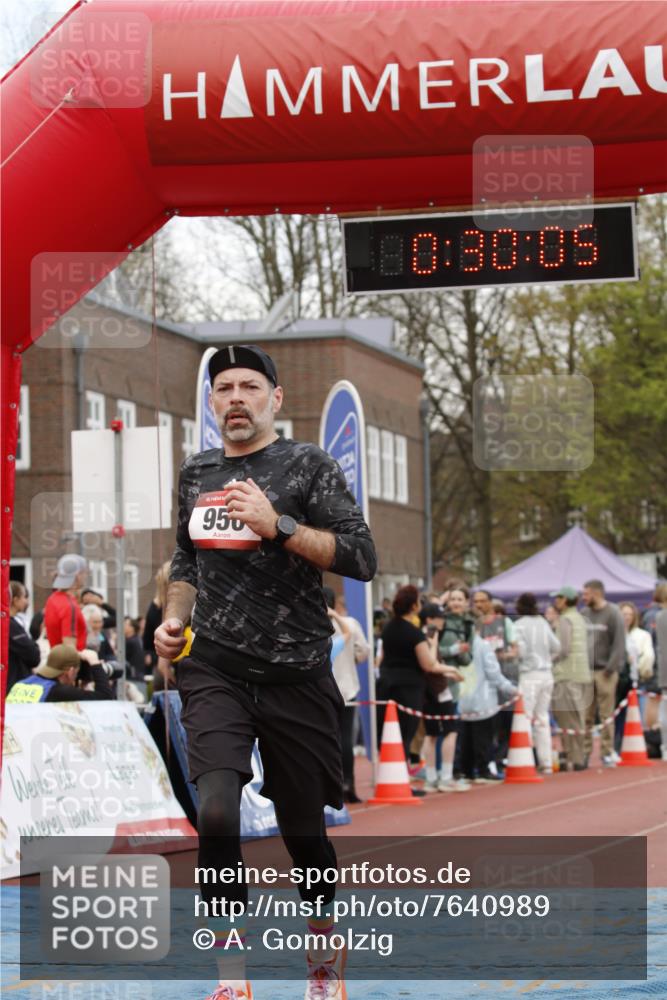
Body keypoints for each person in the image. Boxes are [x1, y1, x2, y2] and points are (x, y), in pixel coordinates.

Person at [154, 344, 377, 1000]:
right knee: (217, 812)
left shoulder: (307, 466)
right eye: (223, 388)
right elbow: (186, 559)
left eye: (249, 386)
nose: (235, 398)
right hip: (213, 667)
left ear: (274, 399)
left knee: (302, 832)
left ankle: (321, 967)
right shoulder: (197, 472)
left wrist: (277, 525)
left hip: (297, 670)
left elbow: (360, 557)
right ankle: (231, 979)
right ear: (213, 402)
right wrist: (172, 620)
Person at [378, 586, 460, 772]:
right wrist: (451, 668)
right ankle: (401, 777)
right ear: (414, 606)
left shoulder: (388, 628)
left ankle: (390, 774)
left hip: (386, 683)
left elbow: (382, 657)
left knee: (387, 732)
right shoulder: (414, 633)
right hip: (408, 688)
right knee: (406, 733)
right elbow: (428, 664)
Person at [323, 587, 369, 804]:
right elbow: (363, 651)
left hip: (321, 691)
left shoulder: (307, 626)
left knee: (325, 738)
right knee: (345, 738)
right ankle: (347, 783)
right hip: (346, 689)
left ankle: (329, 785)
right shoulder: (348, 624)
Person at [419, 601, 468, 793]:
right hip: (438, 691)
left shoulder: (423, 635)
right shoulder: (429, 635)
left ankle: (432, 778)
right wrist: (452, 669)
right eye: (439, 618)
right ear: (430, 619)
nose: (442, 621)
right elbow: (431, 665)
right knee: (450, 731)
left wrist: (449, 673)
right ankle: (445, 777)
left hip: (429, 690)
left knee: (431, 734)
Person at [457, 632, 518, 783]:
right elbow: (494, 674)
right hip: (483, 700)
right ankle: (483, 770)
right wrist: (511, 689)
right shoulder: (483, 646)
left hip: (463, 699)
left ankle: (467, 771)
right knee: (483, 737)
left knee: (466, 737)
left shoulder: (457, 645)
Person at [514, 592, 560, 774]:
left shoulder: (518, 626)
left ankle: (526, 759)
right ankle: (546, 762)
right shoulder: (542, 622)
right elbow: (557, 646)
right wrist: (548, 657)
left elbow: (522, 652)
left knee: (525, 717)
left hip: (529, 674)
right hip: (546, 673)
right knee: (542, 718)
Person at [581, 580, 626, 767]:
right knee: (586, 714)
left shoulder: (613, 612)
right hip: (586, 671)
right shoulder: (584, 614)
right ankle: (584, 753)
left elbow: (619, 642)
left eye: (587, 594)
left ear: (597, 593)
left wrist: (611, 667)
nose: (584, 597)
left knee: (606, 713)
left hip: (605, 671)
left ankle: (607, 752)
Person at [473, 590, 518, 777]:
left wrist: (501, 655)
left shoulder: (504, 623)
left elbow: (516, 650)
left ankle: (500, 758)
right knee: (488, 724)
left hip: (504, 676)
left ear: (490, 603)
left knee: (507, 723)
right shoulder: (474, 625)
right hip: (482, 681)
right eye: (476, 602)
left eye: (483, 601)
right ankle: (487, 761)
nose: (479, 605)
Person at [550, 587, 591, 771]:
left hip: (566, 674)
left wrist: (547, 660)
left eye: (557, 599)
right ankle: (579, 756)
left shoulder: (565, 619)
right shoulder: (580, 618)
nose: (555, 602)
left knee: (568, 719)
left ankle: (574, 757)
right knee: (578, 718)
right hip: (581, 673)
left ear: (565, 600)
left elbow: (563, 649)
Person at [6, 644, 114, 703]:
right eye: (76, 672)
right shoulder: (59, 692)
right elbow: (105, 696)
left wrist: (82, 686)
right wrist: (94, 662)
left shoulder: (21, 684)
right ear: (70, 671)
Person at [615, 602, 655, 755]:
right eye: (623, 614)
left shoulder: (641, 635)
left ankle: (635, 746)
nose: (626, 618)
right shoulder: (614, 634)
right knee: (617, 716)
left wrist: (641, 669)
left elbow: (648, 656)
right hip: (616, 680)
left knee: (634, 715)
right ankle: (616, 745)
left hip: (635, 681)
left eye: (629, 615)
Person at [43, 554, 88, 650]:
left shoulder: (52, 599)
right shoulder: (69, 605)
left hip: (56, 658)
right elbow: (69, 648)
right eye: (84, 572)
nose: (86, 576)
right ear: (78, 576)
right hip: (70, 662)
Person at [8, 581, 41, 694]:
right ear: (15, 600)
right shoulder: (10, 625)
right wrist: (34, 645)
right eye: (24, 597)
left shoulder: (15, 622)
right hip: (14, 686)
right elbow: (33, 655)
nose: (26, 602)